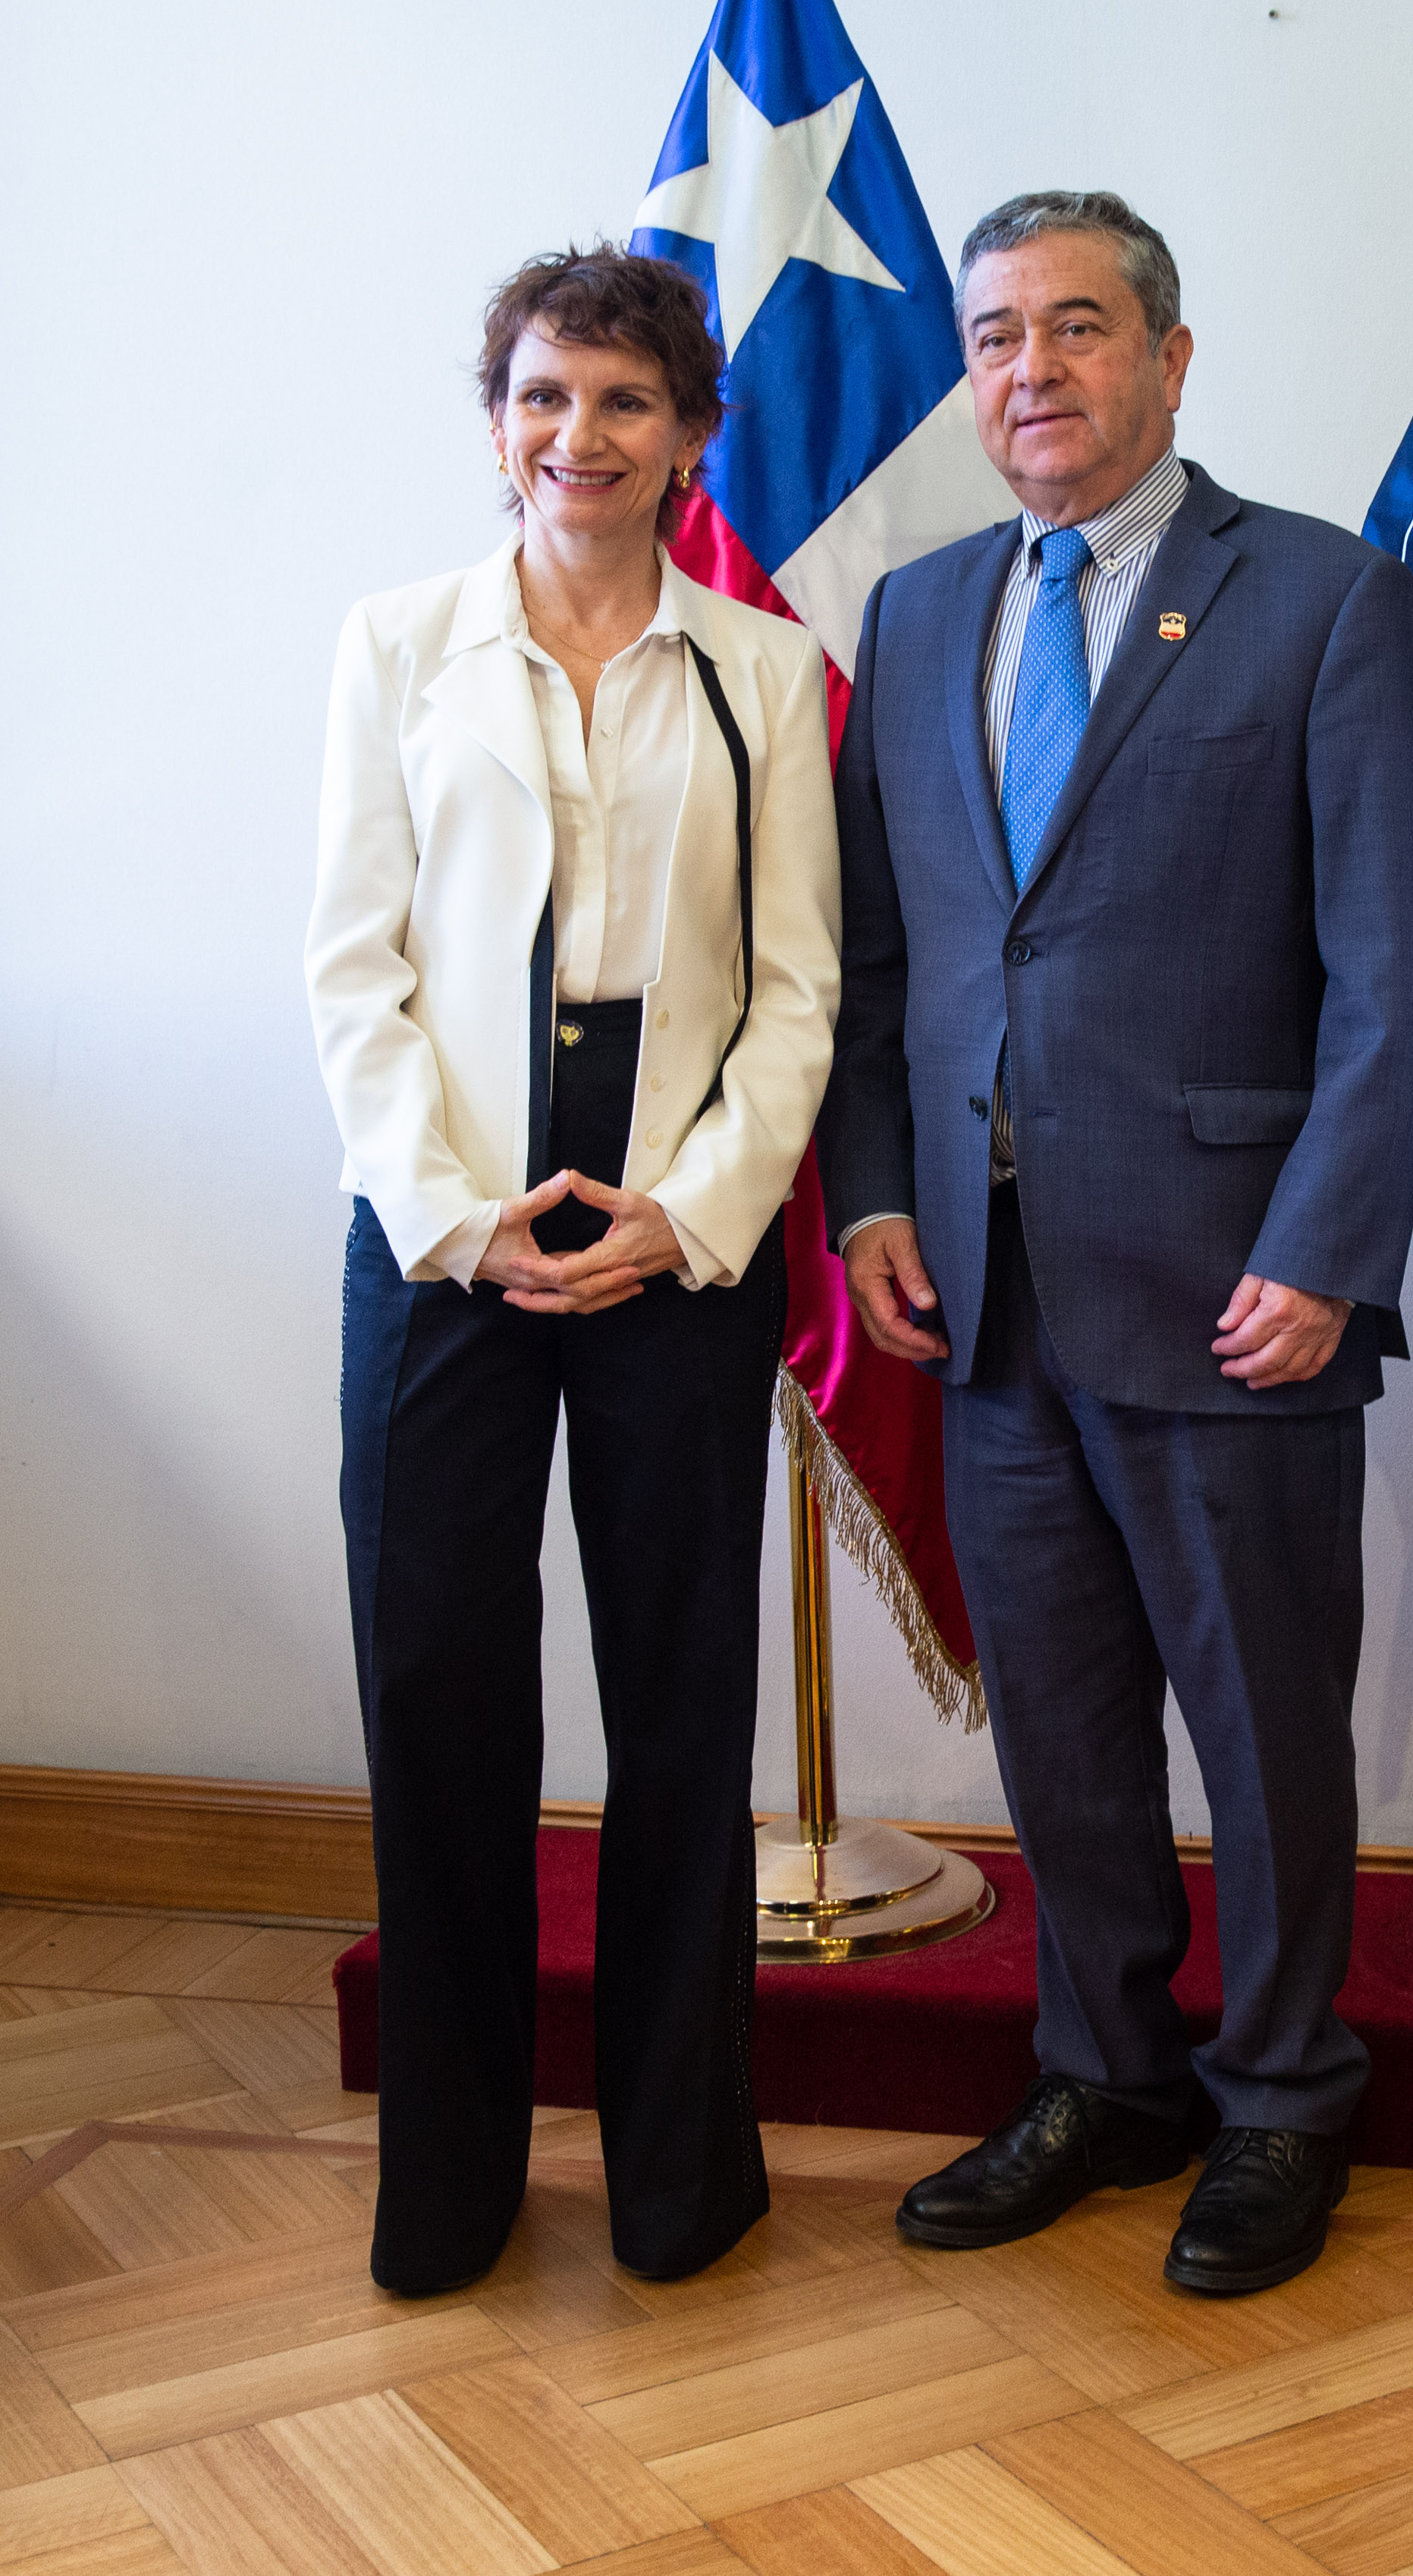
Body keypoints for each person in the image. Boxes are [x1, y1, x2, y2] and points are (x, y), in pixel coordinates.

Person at [819, 191, 1413, 2296]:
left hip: (1236, 1285)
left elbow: (1392, 975)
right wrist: (878, 1196)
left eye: (1079, 326)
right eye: (999, 334)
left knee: (1263, 1725)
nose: (1034, 369)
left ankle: (1283, 2091)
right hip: (989, 1293)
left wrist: (1329, 1244)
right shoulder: (919, 614)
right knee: (1064, 1724)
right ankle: (1107, 2071)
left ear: (1171, 359)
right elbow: (891, 958)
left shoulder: (1325, 600)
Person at [307, 246, 839, 2295]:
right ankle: (448, 2191)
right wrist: (457, 1219)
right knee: (439, 1697)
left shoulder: (765, 672)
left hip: (673, 1227)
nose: (578, 435)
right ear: (496, 420)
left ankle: (680, 2184)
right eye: (543, 394)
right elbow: (352, 970)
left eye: (624, 400)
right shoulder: (395, 644)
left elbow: (797, 992)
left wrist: (685, 1216)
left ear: (689, 434)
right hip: (445, 1221)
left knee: (683, 1710)